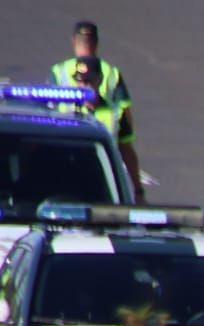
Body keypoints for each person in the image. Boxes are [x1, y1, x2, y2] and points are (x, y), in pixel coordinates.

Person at [51, 24, 142, 202]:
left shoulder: (115, 116)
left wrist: (138, 191)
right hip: (67, 184)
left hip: (104, 187)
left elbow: (127, 151)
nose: (83, 87)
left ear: (99, 81)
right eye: (80, 82)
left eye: (88, 82)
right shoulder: (61, 113)